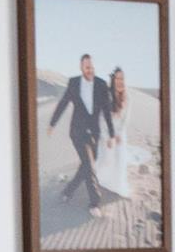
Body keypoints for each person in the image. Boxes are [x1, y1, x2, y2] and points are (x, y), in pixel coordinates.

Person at [46, 53, 111, 209]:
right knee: (88, 164)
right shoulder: (74, 83)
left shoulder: (101, 84)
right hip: (77, 131)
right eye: (87, 67)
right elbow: (63, 103)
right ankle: (95, 202)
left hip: (94, 133)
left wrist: (112, 132)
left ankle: (68, 191)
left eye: (92, 67)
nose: (90, 70)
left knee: (86, 166)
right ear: (81, 68)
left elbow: (107, 110)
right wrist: (52, 123)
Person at [99, 68, 134, 205]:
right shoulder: (107, 96)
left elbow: (126, 118)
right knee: (107, 159)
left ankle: (119, 188)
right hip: (107, 133)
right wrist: (108, 136)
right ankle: (104, 181)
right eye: (117, 79)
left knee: (120, 159)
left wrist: (119, 133)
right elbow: (102, 119)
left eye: (122, 79)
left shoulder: (128, 97)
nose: (120, 82)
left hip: (120, 133)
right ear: (113, 81)